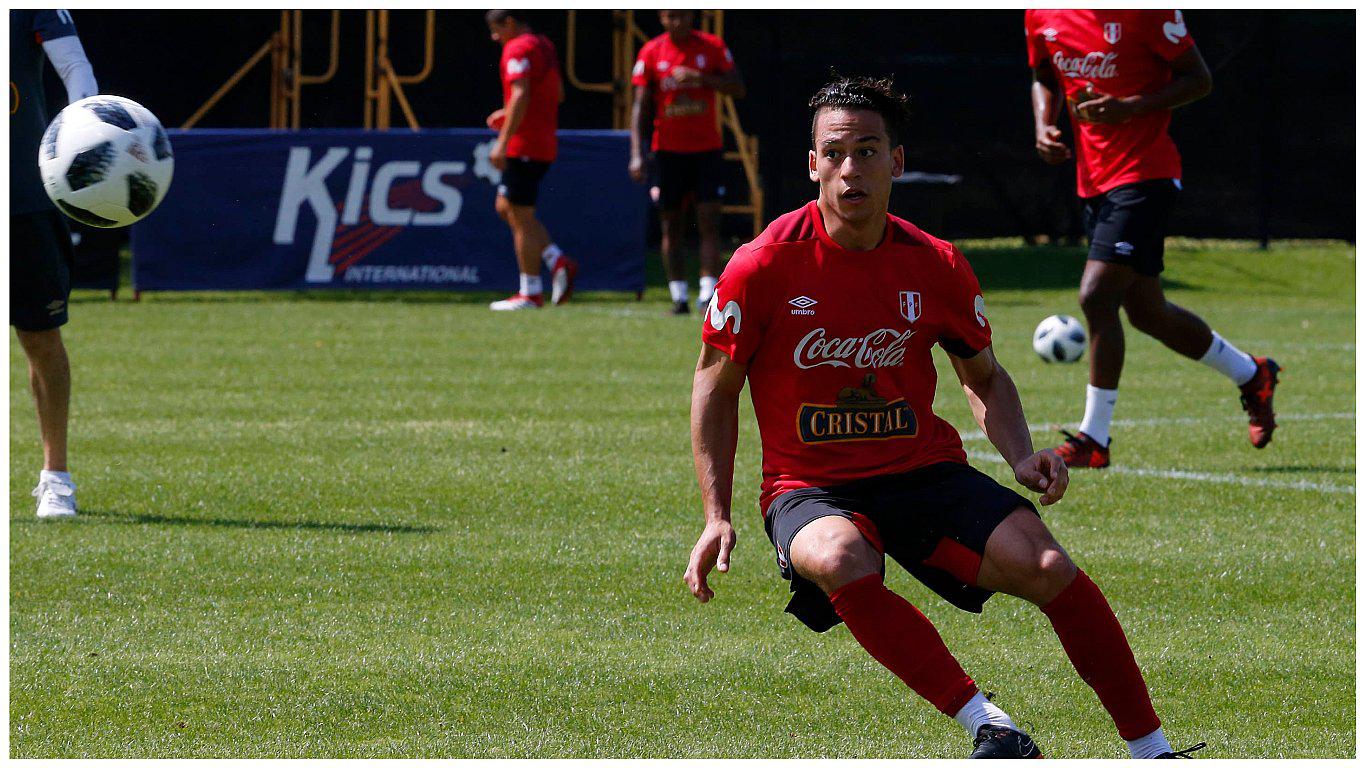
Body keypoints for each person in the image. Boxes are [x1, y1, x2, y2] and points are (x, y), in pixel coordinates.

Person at [685, 76, 1203, 758]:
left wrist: (1019, 454)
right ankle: (989, 723)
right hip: (808, 488)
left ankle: (1153, 750)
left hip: (922, 472)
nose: (850, 169)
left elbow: (984, 377)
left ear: (896, 163)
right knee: (839, 556)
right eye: (834, 153)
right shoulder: (761, 267)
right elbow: (715, 389)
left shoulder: (936, 265)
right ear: (812, 164)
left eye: (868, 151)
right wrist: (716, 513)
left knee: (1048, 565)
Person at [1026, 9, 1279, 468]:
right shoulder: (1041, 13)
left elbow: (1198, 79)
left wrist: (1129, 106)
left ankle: (1093, 439)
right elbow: (1044, 74)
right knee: (1147, 312)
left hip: (1145, 174)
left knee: (1098, 295)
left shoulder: (1147, 10)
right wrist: (1046, 122)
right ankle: (1253, 373)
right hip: (1093, 180)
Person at [10, 9, 99, 519]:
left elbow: (74, 68)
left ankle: (55, 477)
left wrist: (83, 130)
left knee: (41, 337)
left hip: (24, 196)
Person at [629, 10, 744, 315]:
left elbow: (737, 86)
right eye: (670, 16)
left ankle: (708, 294)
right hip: (667, 151)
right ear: (661, 18)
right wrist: (637, 153)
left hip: (706, 149)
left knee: (709, 220)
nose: (677, 22)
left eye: (682, 15)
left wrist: (701, 78)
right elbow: (640, 105)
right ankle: (678, 295)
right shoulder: (652, 50)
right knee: (671, 225)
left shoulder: (711, 46)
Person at [484, 9, 577, 311]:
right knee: (505, 207)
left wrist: (503, 141)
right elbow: (558, 93)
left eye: (497, 30)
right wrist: (510, 112)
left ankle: (530, 292)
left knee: (521, 215)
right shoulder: (543, 44)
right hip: (542, 141)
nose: (494, 37)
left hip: (526, 144)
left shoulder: (519, 47)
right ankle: (556, 259)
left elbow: (521, 93)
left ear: (509, 23)